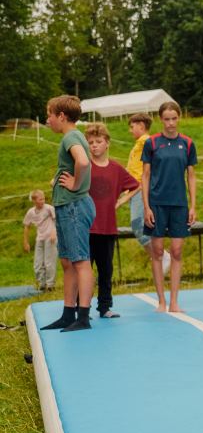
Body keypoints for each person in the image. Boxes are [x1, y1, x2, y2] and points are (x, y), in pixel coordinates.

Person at [40, 95, 95, 332]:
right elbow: (78, 162)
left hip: (73, 205)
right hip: (67, 206)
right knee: (68, 262)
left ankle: (83, 317)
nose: (47, 120)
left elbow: (83, 162)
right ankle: (68, 313)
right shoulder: (73, 136)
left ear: (61, 116)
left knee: (81, 261)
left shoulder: (71, 136)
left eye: (49, 115)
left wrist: (75, 184)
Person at [141, 101, 197, 313]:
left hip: (179, 204)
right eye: (167, 119)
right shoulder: (152, 143)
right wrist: (146, 206)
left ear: (179, 118)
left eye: (174, 118)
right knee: (156, 251)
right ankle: (161, 301)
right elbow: (145, 176)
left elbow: (191, 176)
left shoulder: (188, 144)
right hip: (156, 203)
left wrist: (193, 206)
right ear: (160, 119)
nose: (171, 123)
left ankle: (174, 301)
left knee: (176, 251)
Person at [83, 121, 138, 318]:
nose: (94, 145)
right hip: (86, 227)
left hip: (107, 227)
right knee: (85, 270)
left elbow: (136, 185)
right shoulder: (83, 166)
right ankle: (83, 308)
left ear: (107, 143)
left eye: (98, 141)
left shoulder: (116, 168)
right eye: (90, 142)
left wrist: (119, 202)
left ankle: (104, 307)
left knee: (106, 270)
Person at [124, 112, 156, 272]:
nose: (130, 130)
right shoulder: (139, 143)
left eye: (132, 126)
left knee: (138, 226)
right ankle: (158, 257)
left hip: (140, 188)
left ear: (141, 126)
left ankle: (160, 256)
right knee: (140, 226)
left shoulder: (146, 141)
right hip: (134, 189)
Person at [22, 189, 57, 292]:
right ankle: (42, 284)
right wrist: (26, 242)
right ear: (34, 201)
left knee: (49, 262)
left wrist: (54, 232)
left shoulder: (49, 208)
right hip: (39, 239)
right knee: (37, 264)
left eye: (43, 199)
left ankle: (50, 285)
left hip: (50, 238)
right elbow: (26, 226)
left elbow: (57, 220)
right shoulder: (31, 212)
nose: (42, 201)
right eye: (40, 199)